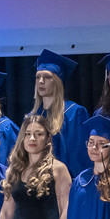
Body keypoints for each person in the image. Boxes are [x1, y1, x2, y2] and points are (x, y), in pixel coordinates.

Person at [31, 48, 90, 176]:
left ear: (58, 81)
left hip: (64, 180)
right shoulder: (33, 116)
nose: (41, 81)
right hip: (36, 181)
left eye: (47, 77)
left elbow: (78, 157)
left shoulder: (74, 113)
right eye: (38, 77)